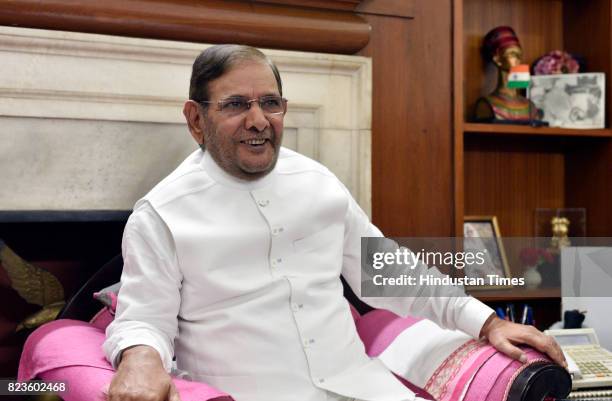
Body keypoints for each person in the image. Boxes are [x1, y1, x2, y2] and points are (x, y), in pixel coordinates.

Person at [103, 44, 566, 401]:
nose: (258, 120)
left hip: (362, 386)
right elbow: (143, 319)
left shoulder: (317, 182)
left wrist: (486, 322)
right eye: (236, 104)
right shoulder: (162, 212)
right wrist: (141, 357)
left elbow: (387, 271)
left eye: (271, 102)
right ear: (195, 118)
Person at [474, 26, 541, 123]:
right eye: (512, 54)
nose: (518, 59)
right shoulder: (486, 104)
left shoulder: (530, 106)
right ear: (497, 59)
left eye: (519, 55)